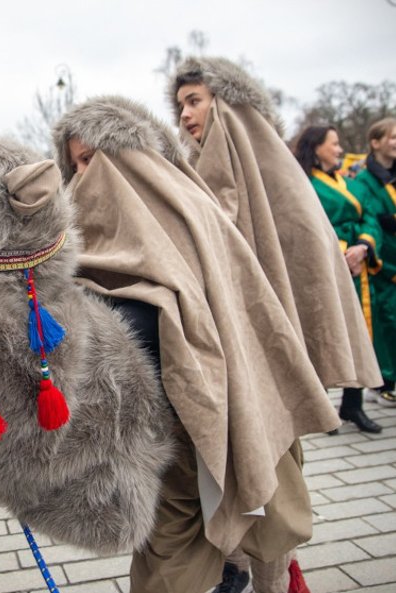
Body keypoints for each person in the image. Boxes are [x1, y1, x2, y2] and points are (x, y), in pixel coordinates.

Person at [52, 96, 337, 593]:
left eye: (92, 159)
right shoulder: (81, 242)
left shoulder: (194, 214)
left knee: (269, 526)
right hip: (165, 440)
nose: (82, 176)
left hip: (243, 411)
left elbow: (246, 313)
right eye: (75, 164)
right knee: (170, 563)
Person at [168, 54, 382, 593]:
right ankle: (244, 569)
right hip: (227, 364)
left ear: (226, 101)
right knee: (236, 481)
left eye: (194, 100)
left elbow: (303, 261)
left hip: (270, 364)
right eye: (179, 106)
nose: (185, 114)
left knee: (273, 484)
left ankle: (273, 578)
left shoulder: (271, 176)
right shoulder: (191, 173)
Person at [294, 125, 390, 433]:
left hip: (358, 271)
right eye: (334, 144)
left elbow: (370, 218)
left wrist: (363, 246)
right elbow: (301, 227)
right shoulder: (302, 184)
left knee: (360, 336)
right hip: (324, 271)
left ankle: (353, 404)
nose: (339, 150)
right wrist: (343, 250)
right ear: (316, 147)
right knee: (323, 333)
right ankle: (318, 406)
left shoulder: (349, 183)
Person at [351, 117, 396, 405]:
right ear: (375, 142)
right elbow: (371, 222)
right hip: (383, 268)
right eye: (392, 137)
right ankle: (384, 381)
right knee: (386, 322)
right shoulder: (364, 182)